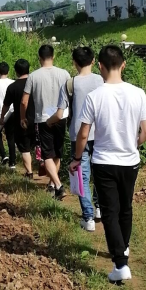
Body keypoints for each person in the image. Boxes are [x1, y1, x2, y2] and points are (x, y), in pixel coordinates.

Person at [70, 45, 146, 283]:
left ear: (100, 66)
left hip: (104, 162)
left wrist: (77, 159)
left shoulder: (95, 96)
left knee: (109, 212)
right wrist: (134, 144)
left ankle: (120, 263)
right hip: (130, 162)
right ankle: (123, 248)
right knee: (125, 208)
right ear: (123, 65)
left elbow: (83, 134)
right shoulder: (138, 93)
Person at [47, 46, 103, 230]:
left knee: (82, 176)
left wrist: (48, 122)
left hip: (78, 135)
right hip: (101, 133)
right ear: (93, 61)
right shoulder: (102, 80)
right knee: (100, 173)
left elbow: (60, 113)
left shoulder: (70, 84)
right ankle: (99, 208)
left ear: (74, 63)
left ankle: (88, 218)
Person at [21, 44, 70, 200]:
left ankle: (58, 185)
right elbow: (71, 95)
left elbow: (24, 101)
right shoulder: (64, 74)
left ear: (39, 58)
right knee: (57, 153)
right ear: (53, 56)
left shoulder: (33, 76)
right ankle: (52, 184)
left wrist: (23, 117)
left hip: (43, 119)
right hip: (61, 117)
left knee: (47, 154)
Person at [0, 59, 35, 177]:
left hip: (21, 120)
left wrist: (2, 117)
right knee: (40, 145)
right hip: (38, 119)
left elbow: (6, 105)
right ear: (29, 69)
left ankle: (29, 172)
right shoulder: (35, 83)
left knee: (25, 148)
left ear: (16, 71)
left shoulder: (12, 87)